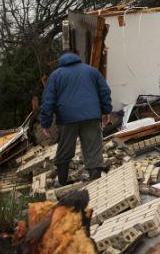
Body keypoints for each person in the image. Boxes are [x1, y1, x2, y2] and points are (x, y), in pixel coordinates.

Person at [40, 49, 112, 186]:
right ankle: (95, 182)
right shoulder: (91, 71)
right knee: (93, 148)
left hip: (67, 118)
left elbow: (48, 101)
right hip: (91, 115)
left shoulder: (55, 76)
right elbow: (104, 91)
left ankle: (62, 182)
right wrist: (105, 111)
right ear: (77, 57)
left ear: (60, 59)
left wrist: (46, 123)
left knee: (65, 149)